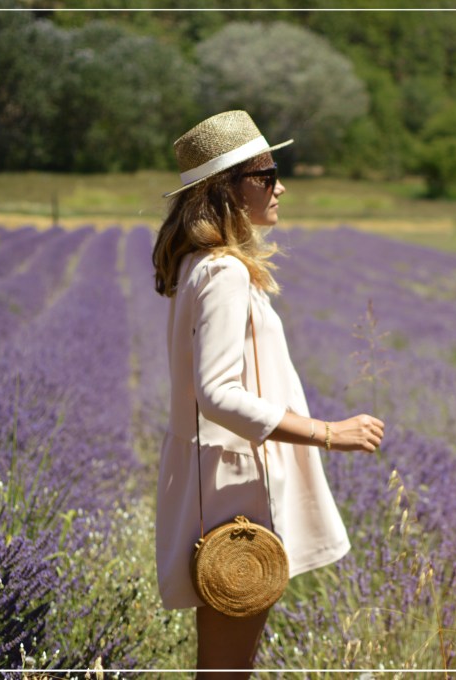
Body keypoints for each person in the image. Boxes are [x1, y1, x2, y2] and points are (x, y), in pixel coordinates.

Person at [151, 110, 385, 678]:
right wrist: (330, 433)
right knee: (228, 666)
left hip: (217, 477)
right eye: (266, 174)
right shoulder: (224, 273)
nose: (281, 186)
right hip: (236, 486)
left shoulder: (197, 266)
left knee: (224, 660)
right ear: (225, 191)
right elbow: (218, 394)